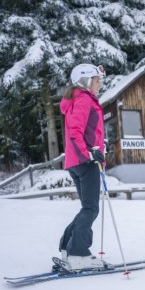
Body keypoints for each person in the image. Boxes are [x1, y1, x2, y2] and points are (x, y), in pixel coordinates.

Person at [58, 63, 109, 271]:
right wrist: (90, 153)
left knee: (87, 208)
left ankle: (67, 248)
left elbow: (86, 132)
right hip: (85, 161)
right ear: (86, 81)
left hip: (77, 161)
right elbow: (75, 131)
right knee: (91, 208)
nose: (99, 84)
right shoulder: (84, 100)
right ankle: (78, 254)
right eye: (97, 80)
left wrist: (97, 151)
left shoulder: (76, 100)